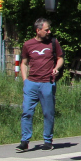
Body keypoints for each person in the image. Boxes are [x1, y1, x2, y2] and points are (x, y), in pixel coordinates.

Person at [18, 18, 63, 152]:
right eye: (46, 29)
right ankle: (24, 141)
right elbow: (24, 63)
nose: (49, 31)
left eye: (49, 29)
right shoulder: (28, 45)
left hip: (47, 83)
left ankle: (48, 141)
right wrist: (25, 80)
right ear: (38, 30)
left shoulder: (53, 43)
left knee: (48, 113)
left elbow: (60, 58)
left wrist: (57, 68)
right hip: (31, 84)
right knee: (26, 112)